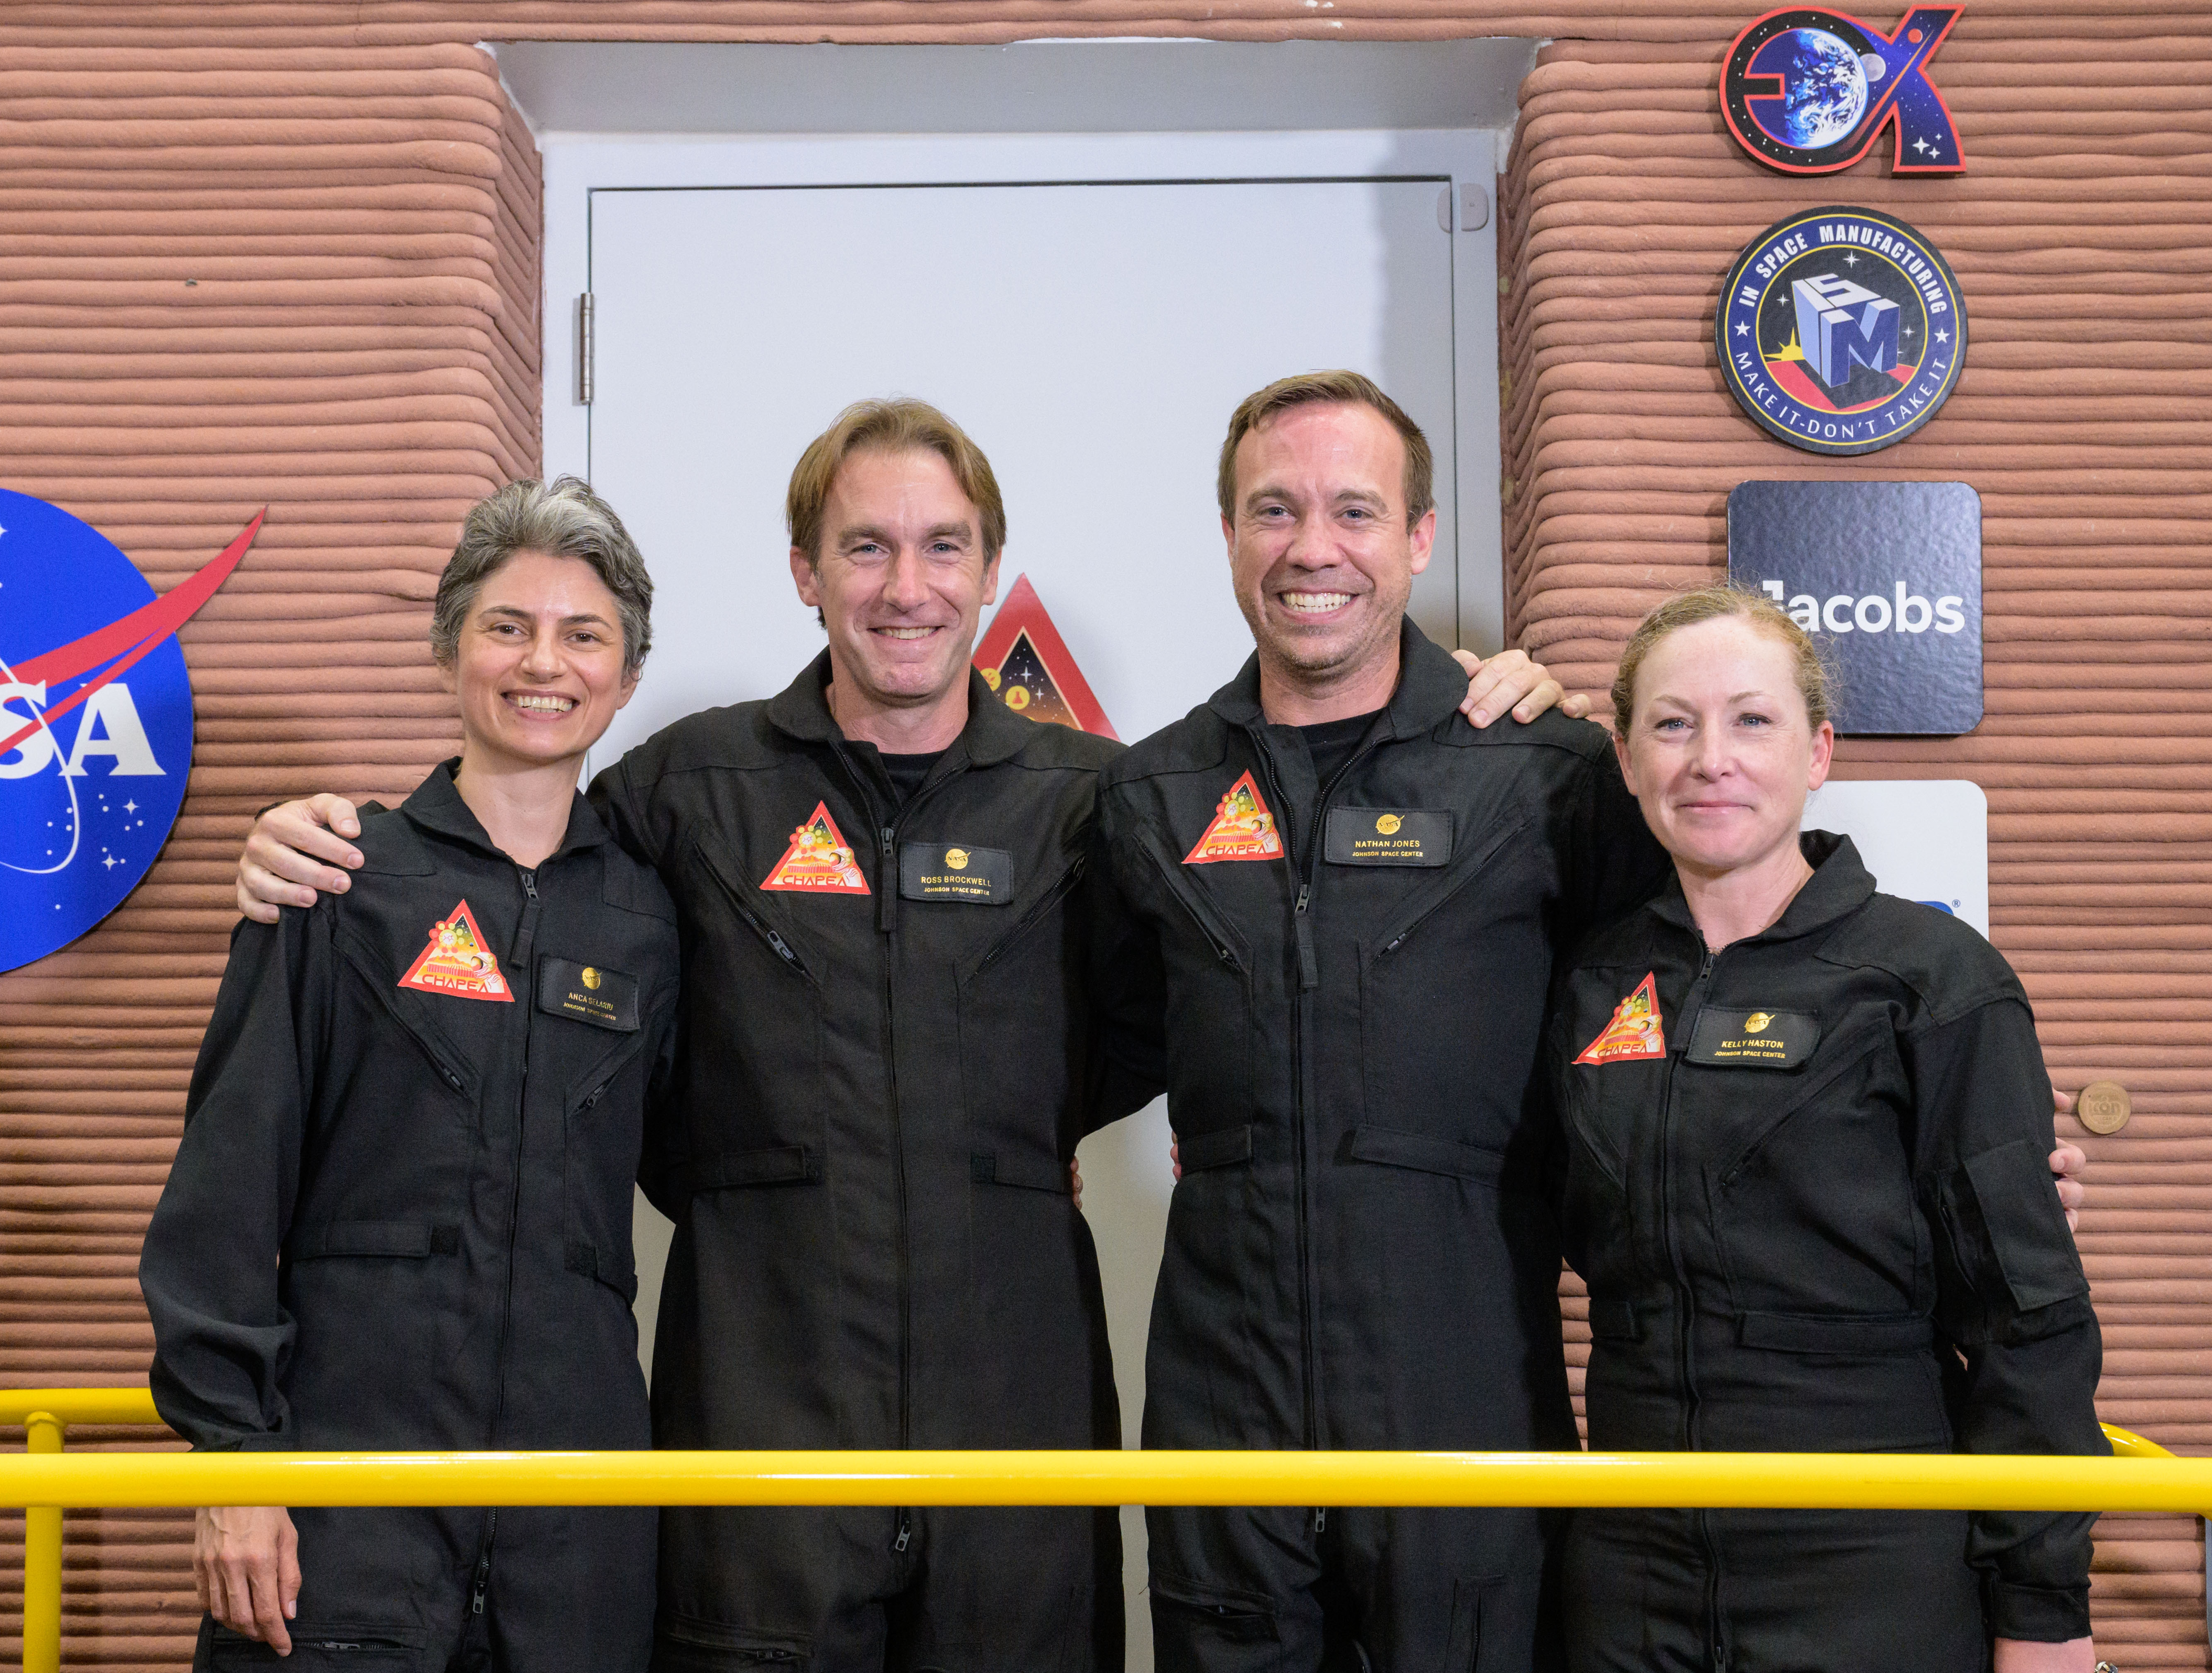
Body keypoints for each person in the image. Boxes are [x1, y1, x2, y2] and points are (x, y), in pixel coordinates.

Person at [225, 398, 1574, 1670]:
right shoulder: (690, 789)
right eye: (863, 546)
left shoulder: (1095, 801)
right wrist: (348, 844)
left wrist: (1515, 702)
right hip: (761, 1413)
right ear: (806, 573)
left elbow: (1199, 1009)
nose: (905, 586)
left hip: (1017, 1419)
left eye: (943, 547)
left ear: (991, 572)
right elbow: (527, 878)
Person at [1092, 370, 2090, 1673]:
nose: (1313, 547)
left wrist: (1972, 1172)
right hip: (1253, 1418)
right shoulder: (1149, 794)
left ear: (1421, 537)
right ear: (1228, 531)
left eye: (1354, 508)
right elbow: (1088, 1041)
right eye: (1273, 510)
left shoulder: (1544, 777)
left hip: (1500, 1416)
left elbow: (1716, 966)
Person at [140, 477, 680, 1670]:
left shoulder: (651, 923)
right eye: (508, 625)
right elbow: (224, 1197)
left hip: (573, 1557)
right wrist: (235, 1470)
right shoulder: (338, 882)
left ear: (626, 678)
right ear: (449, 651)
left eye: (584, 635)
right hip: (343, 1529)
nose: (545, 662)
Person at [1545, 585, 2104, 1673]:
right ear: (1624, 758)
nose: (1711, 757)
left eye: (1751, 719)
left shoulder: (1932, 982)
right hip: (1630, 1562)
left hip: (1867, 1555)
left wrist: (2043, 1617)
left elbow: (2025, 1323)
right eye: (1672, 722)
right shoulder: (1583, 985)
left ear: (1818, 751)